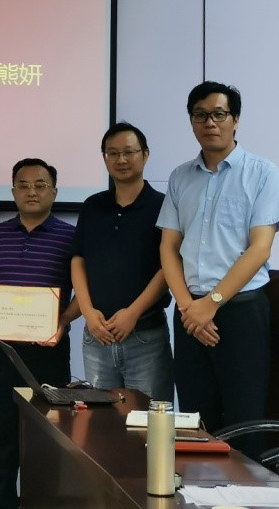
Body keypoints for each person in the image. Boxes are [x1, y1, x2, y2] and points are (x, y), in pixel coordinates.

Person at [159, 81, 279, 452]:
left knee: (245, 420)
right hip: (189, 314)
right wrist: (188, 307)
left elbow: (259, 248)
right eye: (200, 115)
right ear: (191, 122)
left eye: (218, 114)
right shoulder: (180, 177)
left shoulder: (263, 173)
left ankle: (244, 490)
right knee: (196, 422)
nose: (209, 123)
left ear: (235, 120)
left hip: (240, 310)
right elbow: (169, 247)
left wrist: (211, 303)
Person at [0, 158, 79, 509]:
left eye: (40, 185)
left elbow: (84, 292)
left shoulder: (71, 236)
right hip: (3, 351)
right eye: (23, 185)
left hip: (48, 352)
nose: (31, 191)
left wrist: (63, 321)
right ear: (13, 191)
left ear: (54, 191)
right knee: (2, 440)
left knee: (48, 440)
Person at [70, 122, 173, 402]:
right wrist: (88, 312)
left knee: (149, 420)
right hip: (97, 336)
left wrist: (133, 313)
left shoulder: (164, 206)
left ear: (145, 155)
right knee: (101, 422)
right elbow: (78, 260)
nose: (121, 160)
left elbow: (169, 267)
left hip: (145, 336)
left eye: (129, 152)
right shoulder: (93, 205)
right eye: (112, 153)